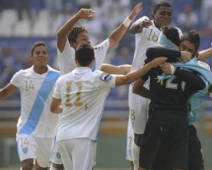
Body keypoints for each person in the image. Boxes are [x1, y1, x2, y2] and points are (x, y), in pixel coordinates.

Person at [51, 3, 143, 168]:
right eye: (84, 39)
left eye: (88, 38)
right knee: (58, 166)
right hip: (67, 121)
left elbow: (113, 39)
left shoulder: (95, 53)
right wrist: (78, 16)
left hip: (87, 125)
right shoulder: (67, 54)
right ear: (72, 44)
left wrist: (131, 17)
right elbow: (60, 35)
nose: (89, 41)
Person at [50, 44, 166, 170]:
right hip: (82, 137)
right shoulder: (96, 77)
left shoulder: (62, 80)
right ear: (93, 60)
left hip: (62, 136)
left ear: (75, 60)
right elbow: (126, 79)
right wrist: (150, 65)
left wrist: (71, 109)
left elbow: (54, 108)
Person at [133, 26, 207, 170]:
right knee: (177, 165)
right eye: (183, 47)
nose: (185, 51)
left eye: (188, 49)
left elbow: (136, 87)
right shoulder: (190, 66)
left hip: (159, 116)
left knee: (145, 165)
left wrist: (154, 95)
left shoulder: (157, 60)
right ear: (178, 45)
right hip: (178, 120)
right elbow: (200, 84)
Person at [127, 2, 181, 169]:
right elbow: (132, 29)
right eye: (162, 13)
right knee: (138, 136)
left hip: (160, 88)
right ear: (153, 14)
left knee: (160, 135)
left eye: (168, 14)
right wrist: (139, 23)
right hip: (138, 85)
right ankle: (137, 166)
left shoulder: (175, 33)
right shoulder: (146, 24)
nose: (165, 16)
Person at [0, 42, 60, 170]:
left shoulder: (57, 76)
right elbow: (4, 92)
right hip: (27, 129)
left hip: (49, 132)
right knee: (27, 164)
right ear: (31, 57)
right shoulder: (22, 75)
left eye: (44, 52)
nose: (41, 55)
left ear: (48, 56)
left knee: (43, 167)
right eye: (37, 53)